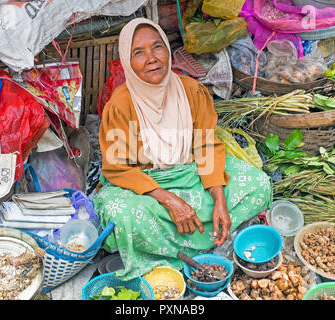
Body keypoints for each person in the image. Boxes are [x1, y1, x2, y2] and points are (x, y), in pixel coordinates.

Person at [92, 18, 272, 280]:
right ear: (127, 62)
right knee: (121, 213)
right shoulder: (120, 105)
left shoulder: (192, 92)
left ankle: (176, 244)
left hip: (191, 173)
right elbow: (118, 167)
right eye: (138, 53)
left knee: (258, 183)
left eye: (157, 47)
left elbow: (206, 145)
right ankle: (185, 249)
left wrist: (219, 197)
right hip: (146, 185)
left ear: (167, 49)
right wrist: (170, 200)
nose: (151, 58)